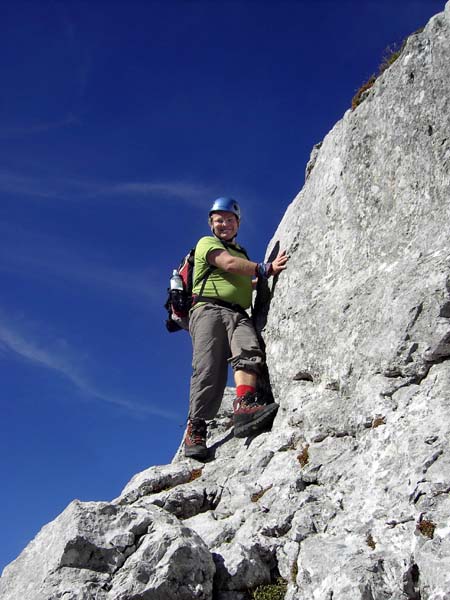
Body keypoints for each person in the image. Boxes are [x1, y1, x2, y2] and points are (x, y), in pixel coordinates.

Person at [184, 197, 289, 460]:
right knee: (209, 367)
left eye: (229, 220)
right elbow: (229, 265)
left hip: (238, 312)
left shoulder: (241, 252)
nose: (224, 224)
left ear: (238, 223)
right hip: (208, 309)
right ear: (211, 224)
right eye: (219, 220)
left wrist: (256, 282)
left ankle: (244, 406)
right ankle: (196, 428)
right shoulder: (207, 244)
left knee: (249, 351)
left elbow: (241, 279)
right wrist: (264, 269)